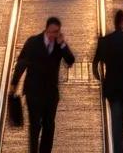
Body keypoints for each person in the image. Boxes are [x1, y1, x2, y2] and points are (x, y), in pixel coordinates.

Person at [10, 17, 75, 153]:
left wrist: (63, 44)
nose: (54, 35)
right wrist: (14, 83)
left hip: (51, 94)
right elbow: (21, 63)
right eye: (52, 32)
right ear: (46, 29)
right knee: (34, 125)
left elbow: (70, 60)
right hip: (33, 93)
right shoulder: (33, 42)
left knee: (49, 126)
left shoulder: (59, 45)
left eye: (57, 32)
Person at [92, 10, 123, 153]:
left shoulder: (104, 42)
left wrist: (101, 79)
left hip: (113, 88)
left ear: (114, 23)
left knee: (116, 126)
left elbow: (95, 65)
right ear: (122, 23)